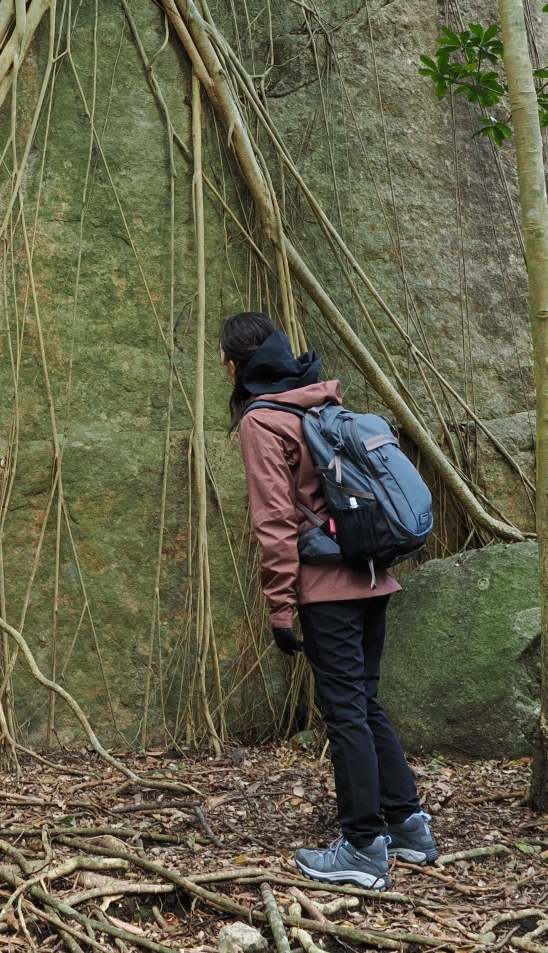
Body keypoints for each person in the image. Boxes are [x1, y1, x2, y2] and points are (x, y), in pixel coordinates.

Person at [222, 310, 437, 891]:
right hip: (373, 578)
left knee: (345, 713)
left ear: (235, 364)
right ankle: (410, 826)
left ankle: (364, 847)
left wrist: (280, 607)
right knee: (364, 704)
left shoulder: (263, 421)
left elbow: (274, 523)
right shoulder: (320, 402)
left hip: (327, 591)